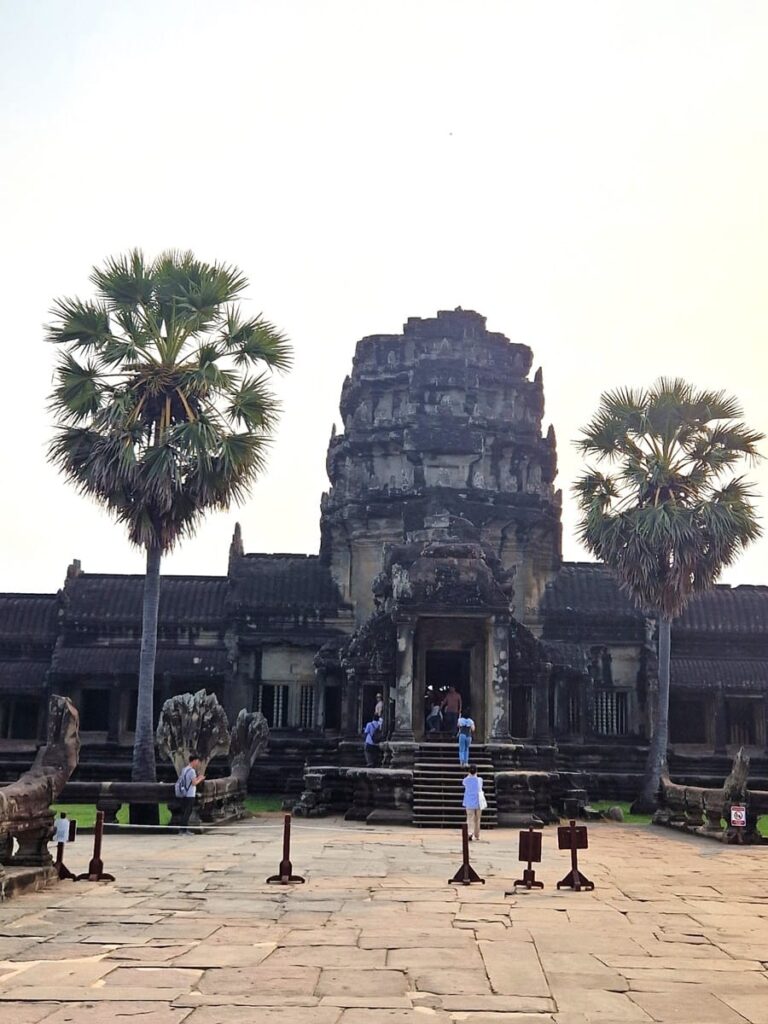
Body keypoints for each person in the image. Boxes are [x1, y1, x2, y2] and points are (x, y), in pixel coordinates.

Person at [175, 752, 205, 835]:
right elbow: (194, 783)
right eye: (197, 761)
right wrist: (201, 779)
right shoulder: (192, 771)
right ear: (194, 761)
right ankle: (183, 830)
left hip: (184, 793)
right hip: (190, 794)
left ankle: (183, 830)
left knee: (184, 812)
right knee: (187, 812)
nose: (198, 763)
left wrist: (197, 778)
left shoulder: (185, 769)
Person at [462, 763, 484, 841]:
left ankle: (469, 833)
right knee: (477, 819)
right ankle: (477, 835)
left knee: (469, 818)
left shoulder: (466, 780)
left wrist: (469, 775)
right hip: (478, 802)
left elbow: (464, 783)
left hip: (469, 802)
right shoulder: (479, 780)